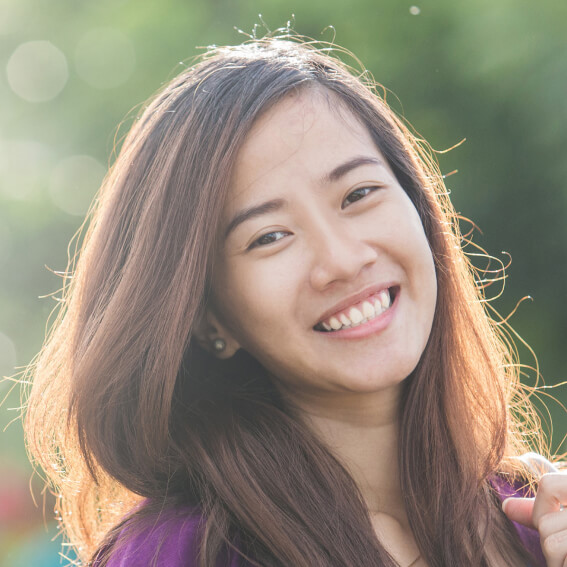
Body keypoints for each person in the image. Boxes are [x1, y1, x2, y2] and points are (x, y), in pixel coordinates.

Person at [24, 35, 567, 567]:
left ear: (420, 208)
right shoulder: (178, 554)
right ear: (208, 316)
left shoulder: (532, 525)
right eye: (269, 236)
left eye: (358, 194)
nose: (342, 261)